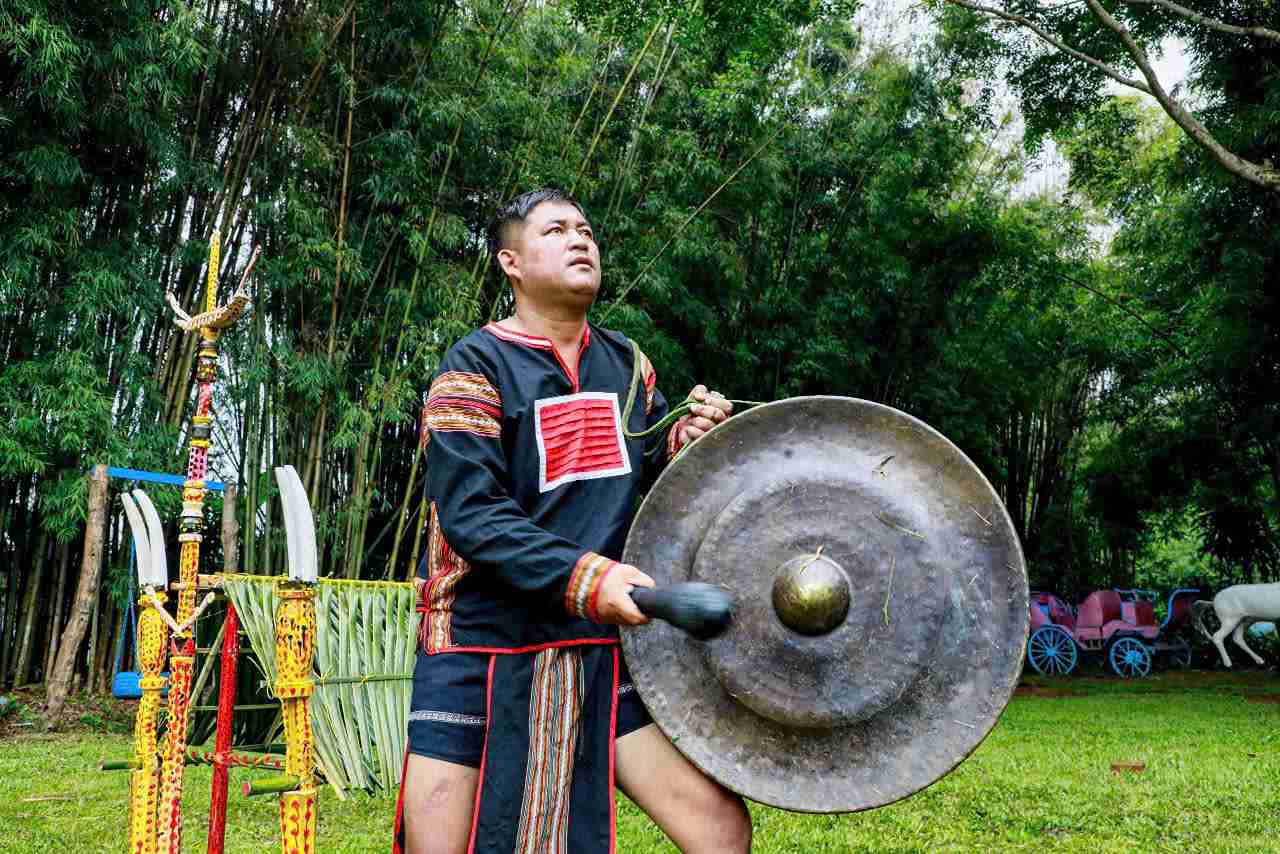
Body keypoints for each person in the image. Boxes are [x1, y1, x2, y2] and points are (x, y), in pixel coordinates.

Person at [394, 189, 752, 854]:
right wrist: (591, 577)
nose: (580, 239)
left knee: (719, 827)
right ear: (512, 263)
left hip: (595, 645)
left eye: (586, 229)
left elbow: (649, 482)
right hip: (480, 642)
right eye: (555, 230)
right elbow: (472, 514)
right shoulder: (472, 368)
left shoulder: (628, 366)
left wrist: (690, 443)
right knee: (435, 842)